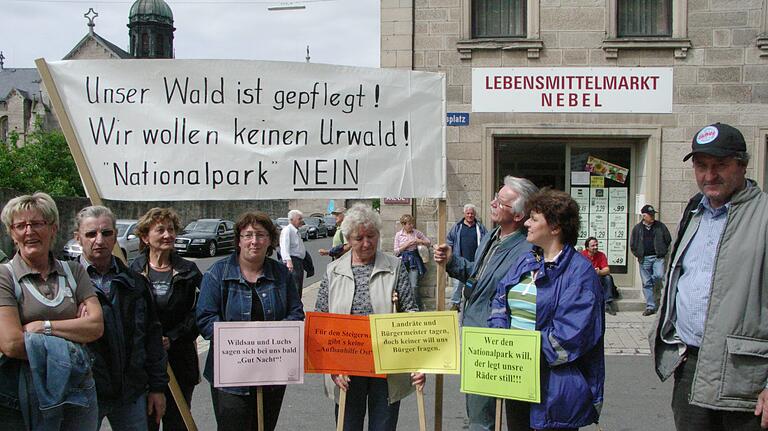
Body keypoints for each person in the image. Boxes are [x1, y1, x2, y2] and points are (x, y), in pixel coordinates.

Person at [651, 123, 768, 430]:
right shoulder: (694, 212)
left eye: (720, 165)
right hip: (690, 367)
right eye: (701, 166)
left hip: (747, 380)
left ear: (742, 165)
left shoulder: (764, 215)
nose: (709, 175)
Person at [489, 188, 605, 431]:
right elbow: (500, 298)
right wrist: (501, 340)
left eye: (534, 218)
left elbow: (572, 336)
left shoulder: (580, 273)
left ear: (555, 227)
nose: (527, 223)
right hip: (516, 378)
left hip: (554, 387)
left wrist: (518, 352)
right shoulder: (527, 260)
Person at [433, 175, 538, 431]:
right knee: (477, 412)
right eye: (495, 197)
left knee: (487, 419)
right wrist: (452, 261)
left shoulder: (526, 250)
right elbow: (477, 276)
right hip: (475, 334)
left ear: (518, 215)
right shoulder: (493, 236)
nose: (492, 203)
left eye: (500, 202)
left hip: (495, 344)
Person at [315, 204, 425, 431]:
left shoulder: (395, 267)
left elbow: (410, 314)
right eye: (359, 238)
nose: (366, 243)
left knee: (383, 426)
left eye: (371, 236)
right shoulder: (333, 271)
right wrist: (332, 367)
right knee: (348, 425)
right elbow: (321, 321)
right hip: (346, 365)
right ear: (348, 238)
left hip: (386, 364)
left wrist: (419, 361)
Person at [0, 192, 103, 430]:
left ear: (53, 228)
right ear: (12, 233)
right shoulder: (5, 276)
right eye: (20, 226)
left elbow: (96, 327)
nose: (29, 231)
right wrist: (74, 337)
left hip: (77, 390)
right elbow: (11, 343)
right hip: (20, 395)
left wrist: (41, 328)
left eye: (37, 223)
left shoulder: (74, 272)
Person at [197, 212, 304, 431]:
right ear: (239, 240)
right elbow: (205, 318)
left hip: (272, 371)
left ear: (270, 240)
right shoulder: (217, 273)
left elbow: (296, 313)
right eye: (248, 235)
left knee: (264, 427)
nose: (254, 241)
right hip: (230, 375)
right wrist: (240, 341)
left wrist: (272, 339)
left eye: (261, 235)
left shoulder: (282, 274)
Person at [74, 205, 168, 430]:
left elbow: (152, 338)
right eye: (91, 234)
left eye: (106, 233)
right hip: (84, 393)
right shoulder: (67, 283)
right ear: (77, 238)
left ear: (115, 235)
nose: (99, 240)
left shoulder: (135, 282)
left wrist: (157, 387)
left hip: (131, 393)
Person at [131, 208, 202, 431]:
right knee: (147, 423)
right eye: (160, 230)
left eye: (171, 230)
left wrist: (173, 337)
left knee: (177, 423)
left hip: (180, 360)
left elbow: (201, 311)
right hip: (144, 364)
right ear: (145, 237)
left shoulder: (188, 270)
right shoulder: (132, 271)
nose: (167, 235)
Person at [629, 203, 671, 316]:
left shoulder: (660, 226)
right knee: (646, 283)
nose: (652, 217)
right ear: (644, 216)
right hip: (644, 259)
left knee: (659, 275)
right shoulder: (638, 229)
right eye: (650, 215)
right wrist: (638, 254)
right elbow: (632, 244)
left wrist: (663, 251)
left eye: (653, 215)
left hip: (658, 257)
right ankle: (650, 306)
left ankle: (661, 302)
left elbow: (668, 239)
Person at [446, 203, 487, 312]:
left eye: (472, 214)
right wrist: (450, 257)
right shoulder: (457, 227)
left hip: (475, 262)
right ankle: (455, 304)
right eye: (468, 213)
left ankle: (472, 305)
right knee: (457, 286)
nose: (470, 215)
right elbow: (449, 240)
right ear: (464, 214)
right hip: (460, 261)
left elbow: (487, 242)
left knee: (473, 285)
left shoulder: (480, 228)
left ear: (475, 214)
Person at [393, 214, 431, 310]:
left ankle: (417, 308)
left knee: (414, 286)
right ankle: (403, 307)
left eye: (412, 224)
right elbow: (395, 251)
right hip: (403, 261)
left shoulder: (416, 233)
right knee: (402, 286)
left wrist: (419, 241)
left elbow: (428, 242)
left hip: (414, 261)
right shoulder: (398, 235)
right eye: (409, 224)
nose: (411, 226)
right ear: (404, 224)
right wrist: (406, 245)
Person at [581, 237, 618, 315]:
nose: (596, 247)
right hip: (586, 278)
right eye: (593, 245)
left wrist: (599, 272)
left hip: (598, 277)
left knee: (608, 277)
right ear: (587, 247)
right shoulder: (582, 255)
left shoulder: (601, 255)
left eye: (597, 245)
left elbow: (607, 270)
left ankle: (608, 303)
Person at [279, 209, 307, 297]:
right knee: (294, 288)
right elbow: (284, 246)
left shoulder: (296, 231)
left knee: (298, 288)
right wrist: (288, 261)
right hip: (292, 262)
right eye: (299, 219)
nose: (301, 221)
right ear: (292, 220)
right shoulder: (288, 230)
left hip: (298, 262)